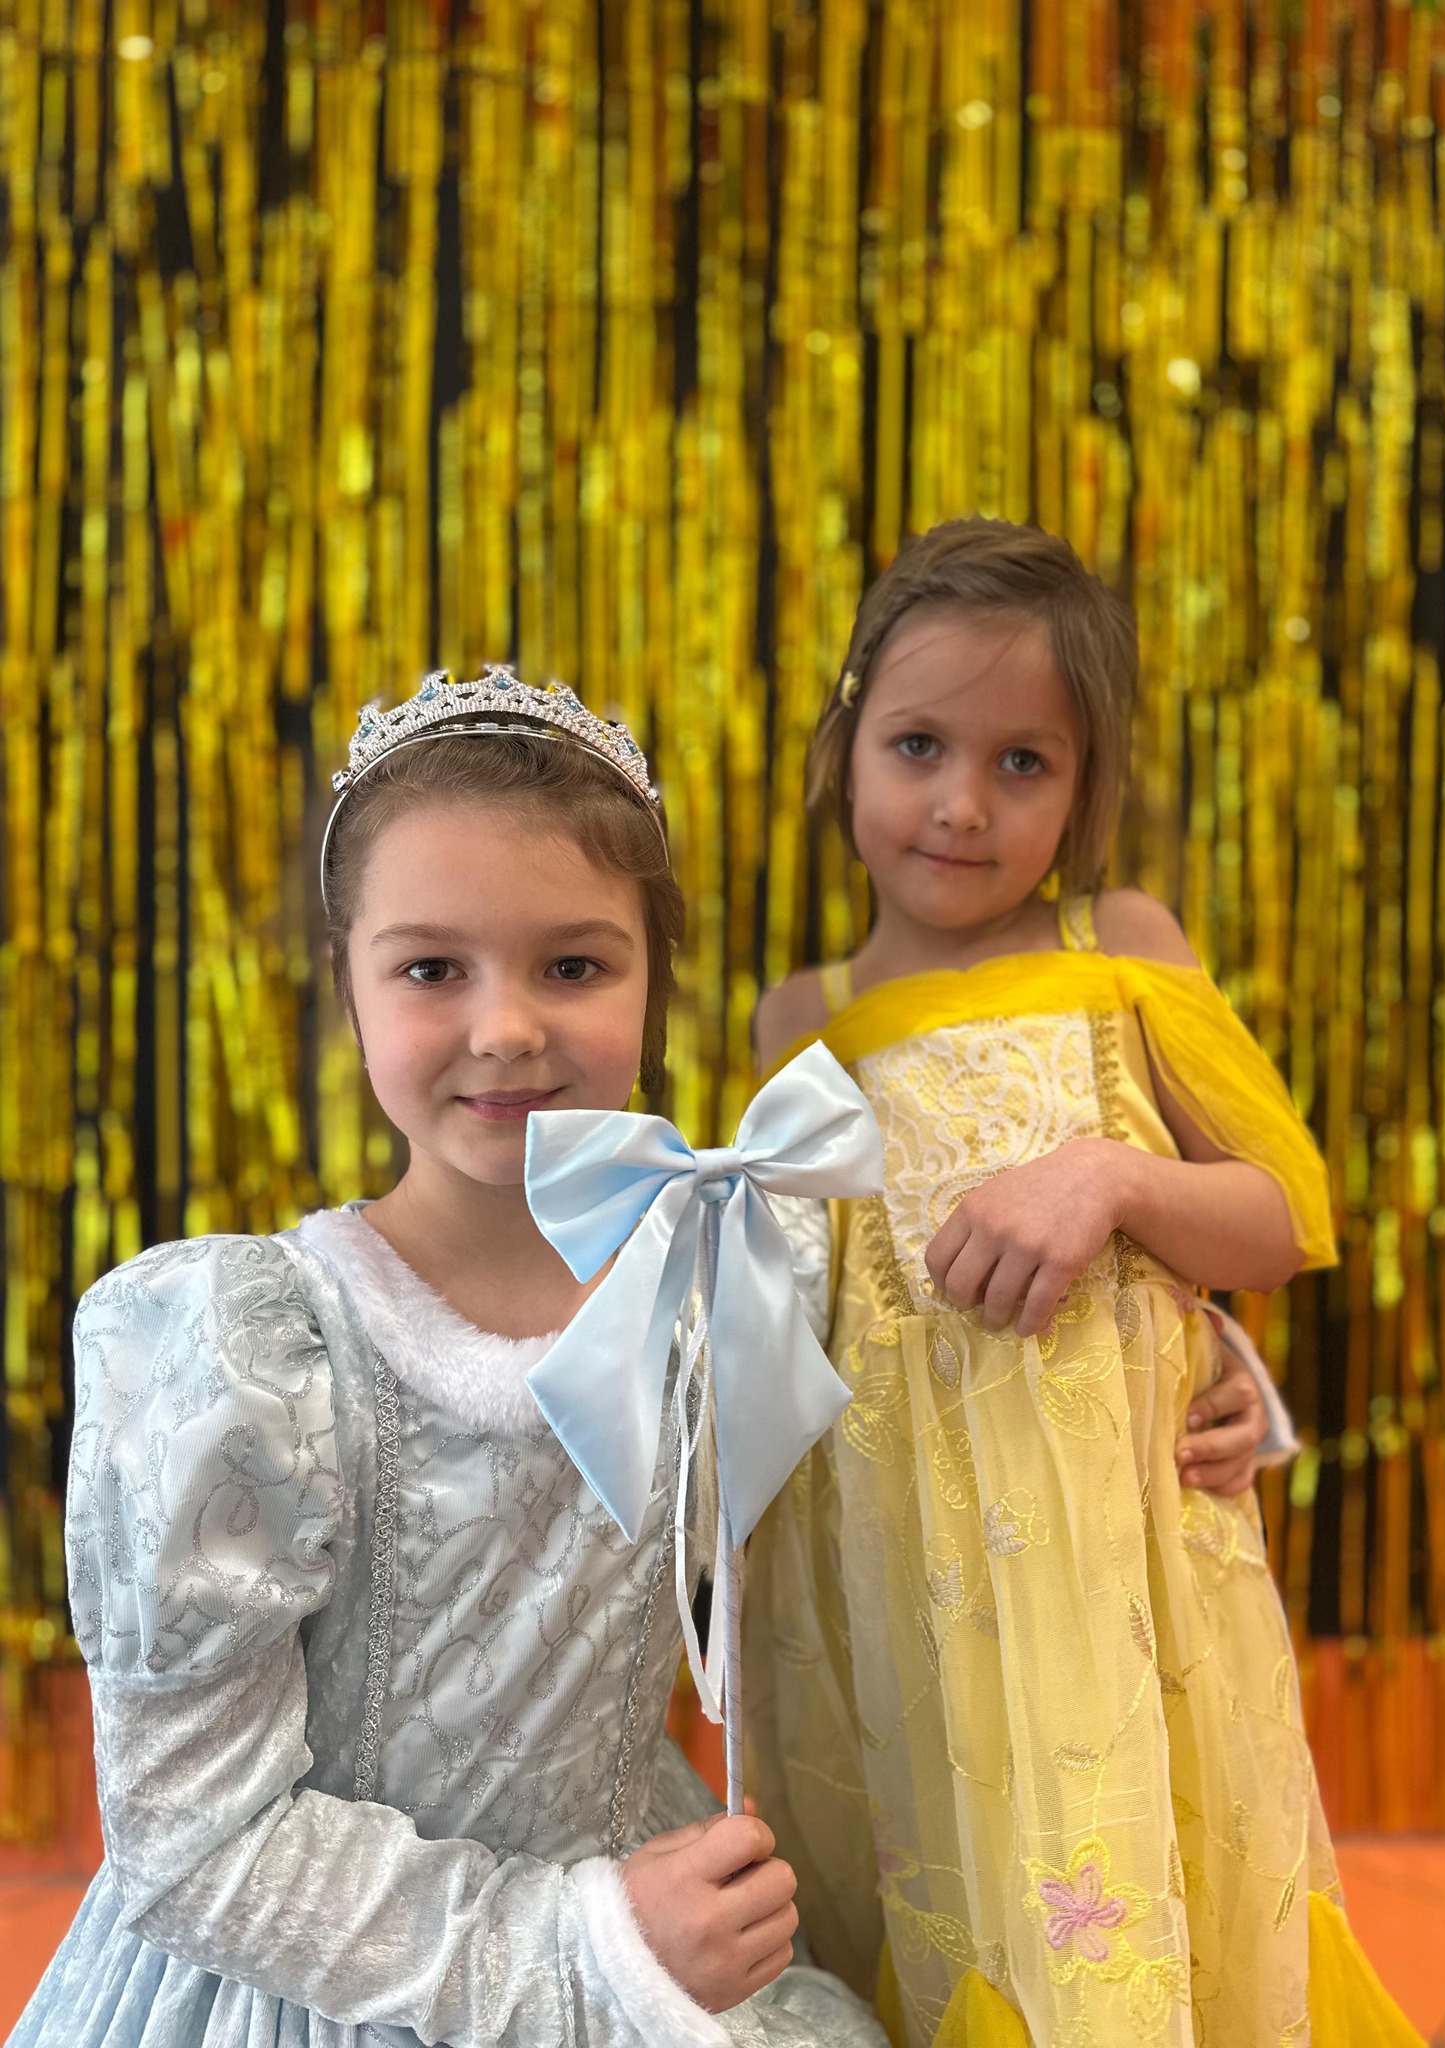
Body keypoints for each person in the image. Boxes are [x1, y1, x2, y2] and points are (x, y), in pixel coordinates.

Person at [12, 671, 889, 2048]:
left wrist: (1193, 1376)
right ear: (349, 990)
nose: (507, 1028)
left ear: (654, 983)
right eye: (432, 970)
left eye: (574, 966)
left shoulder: (733, 1262)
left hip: (650, 1910)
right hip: (317, 1984)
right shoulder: (251, 1349)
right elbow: (193, 1841)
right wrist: (594, 1946)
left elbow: (950, 1413)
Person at [747, 522, 1423, 2048]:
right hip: (911, 1587)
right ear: (846, 744)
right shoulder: (801, 1023)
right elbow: (792, 1314)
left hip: (1127, 1578)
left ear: (1087, 784)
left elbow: (1282, 1212)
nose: (961, 805)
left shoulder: (1117, 948)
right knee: (959, 1913)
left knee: (1141, 1933)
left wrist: (1113, 1182)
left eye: (1024, 763)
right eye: (919, 746)